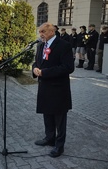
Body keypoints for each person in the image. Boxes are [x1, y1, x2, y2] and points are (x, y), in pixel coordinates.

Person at [32, 22, 74, 158]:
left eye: (43, 31)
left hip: (58, 89)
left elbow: (68, 67)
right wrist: (34, 69)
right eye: (40, 32)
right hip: (44, 87)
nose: (41, 34)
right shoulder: (40, 45)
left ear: (51, 31)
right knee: (47, 114)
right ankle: (49, 138)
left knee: (59, 118)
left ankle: (59, 145)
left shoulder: (64, 45)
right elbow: (37, 62)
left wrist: (45, 72)